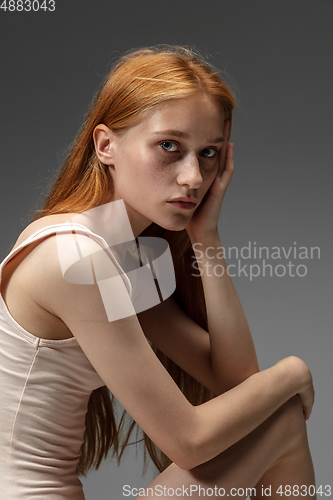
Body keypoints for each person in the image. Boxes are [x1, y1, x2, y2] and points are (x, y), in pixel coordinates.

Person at [0, 46, 316, 500]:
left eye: (208, 154)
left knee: (277, 416)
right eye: (170, 146)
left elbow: (235, 383)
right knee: (282, 416)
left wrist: (206, 237)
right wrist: (292, 372)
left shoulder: (116, 251)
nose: (193, 177)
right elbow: (190, 442)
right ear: (106, 146)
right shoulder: (74, 257)